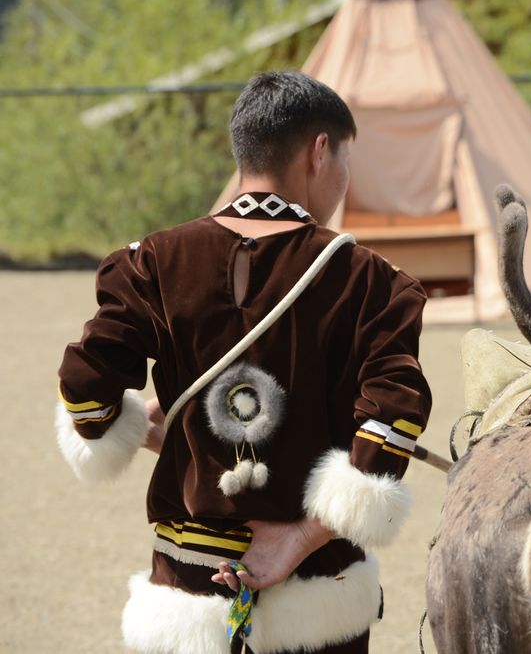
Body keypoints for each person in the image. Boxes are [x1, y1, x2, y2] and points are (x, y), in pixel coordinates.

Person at [55, 71, 432, 654]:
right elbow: (389, 429)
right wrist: (297, 539)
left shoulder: (153, 263)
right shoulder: (371, 283)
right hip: (320, 600)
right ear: (320, 151)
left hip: (188, 592)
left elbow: (85, 393)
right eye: (346, 162)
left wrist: (178, 435)